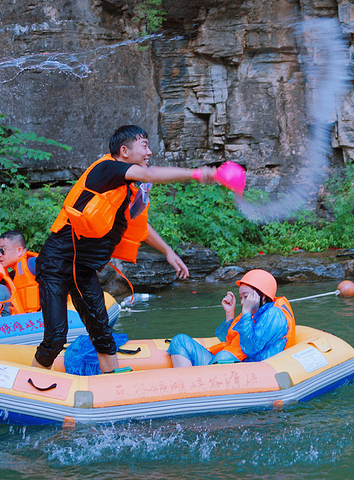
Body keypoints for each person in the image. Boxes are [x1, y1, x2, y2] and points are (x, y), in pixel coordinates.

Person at [32, 125, 216, 373]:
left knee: (103, 335)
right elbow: (150, 175)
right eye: (144, 146)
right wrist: (195, 173)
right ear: (124, 151)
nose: (149, 152)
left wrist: (168, 251)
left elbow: (140, 225)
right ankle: (31, 384)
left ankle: (111, 386)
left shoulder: (127, 188)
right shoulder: (107, 169)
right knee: (55, 337)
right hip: (57, 264)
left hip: (83, 270)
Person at [167, 269, 296, 367]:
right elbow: (229, 340)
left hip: (251, 369)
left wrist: (245, 312)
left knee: (223, 356)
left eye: (246, 296)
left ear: (262, 296)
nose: (243, 301)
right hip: (229, 364)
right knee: (180, 340)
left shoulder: (274, 315)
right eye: (241, 297)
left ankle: (198, 387)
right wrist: (230, 313)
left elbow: (250, 348)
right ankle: (187, 385)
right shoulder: (251, 313)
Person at [0, 230, 39, 312]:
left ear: (19, 250)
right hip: (26, 321)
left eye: (2, 250)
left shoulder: (32, 263)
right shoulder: (10, 277)